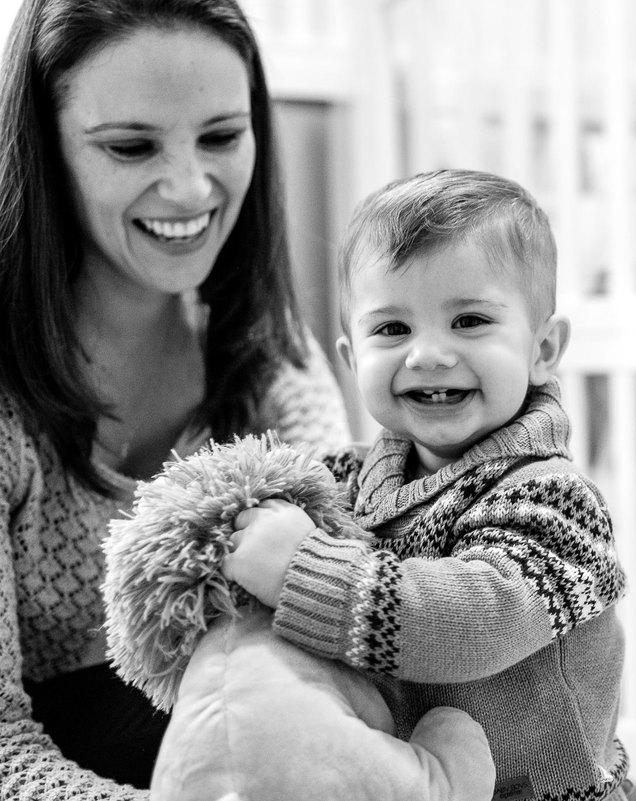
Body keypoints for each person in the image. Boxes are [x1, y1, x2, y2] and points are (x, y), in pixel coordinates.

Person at [0, 0, 351, 796]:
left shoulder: (273, 363)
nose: (191, 187)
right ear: (44, 147)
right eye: (131, 146)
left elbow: (344, 624)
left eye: (221, 136)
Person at [225, 169, 632, 800]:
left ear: (543, 349)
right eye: (392, 329)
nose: (428, 355)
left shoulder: (554, 500)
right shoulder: (348, 479)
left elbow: (471, 628)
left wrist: (301, 570)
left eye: (469, 320)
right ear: (353, 359)